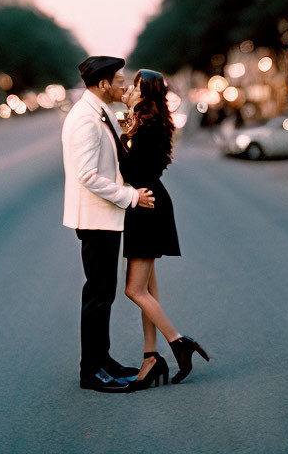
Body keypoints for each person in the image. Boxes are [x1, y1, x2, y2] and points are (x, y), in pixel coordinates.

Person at [61, 56, 156, 393]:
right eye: (119, 81)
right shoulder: (86, 119)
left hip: (104, 217)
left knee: (104, 293)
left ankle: (104, 360)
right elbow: (87, 176)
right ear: (103, 84)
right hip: (96, 218)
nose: (124, 86)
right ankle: (92, 371)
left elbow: (115, 156)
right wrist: (131, 197)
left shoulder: (98, 112)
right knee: (98, 296)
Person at [119, 69, 209, 391]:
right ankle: (150, 357)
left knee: (134, 290)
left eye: (136, 86)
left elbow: (132, 170)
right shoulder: (146, 123)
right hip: (145, 205)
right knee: (148, 291)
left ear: (149, 93)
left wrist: (122, 135)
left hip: (148, 206)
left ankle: (178, 342)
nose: (130, 89)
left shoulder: (150, 126)